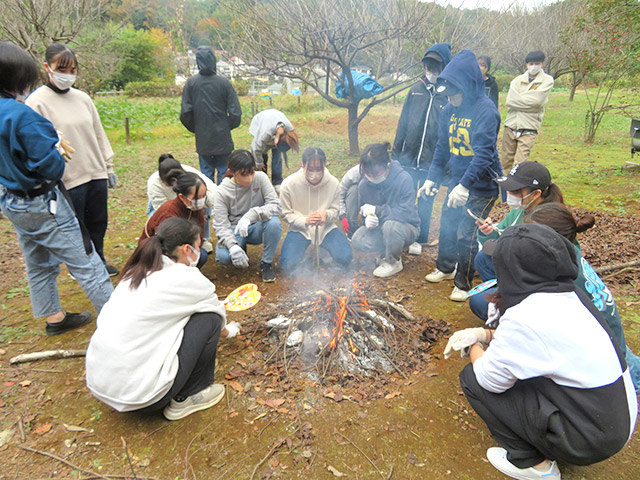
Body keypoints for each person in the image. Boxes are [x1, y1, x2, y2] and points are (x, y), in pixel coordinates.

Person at [445, 224, 637, 480]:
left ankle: (533, 465)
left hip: (590, 439)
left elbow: (488, 379)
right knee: (516, 376)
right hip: (615, 418)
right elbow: (534, 345)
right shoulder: (570, 294)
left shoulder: (525, 316)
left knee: (472, 378)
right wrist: (485, 334)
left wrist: (473, 345)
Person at [0, 41, 113, 336]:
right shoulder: (22, 114)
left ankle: (54, 317)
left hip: (13, 200)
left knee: (38, 262)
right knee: (88, 264)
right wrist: (55, 147)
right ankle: (121, 327)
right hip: (41, 201)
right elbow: (50, 166)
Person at [86, 217, 241, 420]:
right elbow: (219, 321)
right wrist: (231, 331)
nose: (200, 251)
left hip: (101, 383)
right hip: (144, 397)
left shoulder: (135, 273)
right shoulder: (189, 279)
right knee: (210, 318)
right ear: (187, 249)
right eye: (198, 246)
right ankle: (190, 397)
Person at [524, 203, 640, 392]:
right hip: (610, 335)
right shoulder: (570, 254)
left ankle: (629, 377)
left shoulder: (563, 277)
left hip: (604, 357)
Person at [26, 42, 119, 276]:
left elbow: (98, 132)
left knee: (98, 222)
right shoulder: (36, 102)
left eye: (72, 70)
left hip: (95, 171)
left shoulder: (83, 98)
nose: (67, 75)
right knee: (77, 227)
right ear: (47, 67)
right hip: (67, 177)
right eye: (62, 69)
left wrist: (108, 166)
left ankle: (98, 258)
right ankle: (85, 267)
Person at [423, 49, 503, 301]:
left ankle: (464, 282)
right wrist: (431, 178)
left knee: (466, 232)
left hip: (482, 185)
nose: (452, 100)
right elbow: (442, 148)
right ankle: (445, 268)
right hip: (459, 180)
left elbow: (484, 154)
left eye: (455, 94)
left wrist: (465, 185)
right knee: (447, 223)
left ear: (467, 87)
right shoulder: (448, 111)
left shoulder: (485, 110)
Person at [392, 43, 451, 255]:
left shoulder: (448, 94)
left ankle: (420, 237)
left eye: (435, 66)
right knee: (406, 195)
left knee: (426, 199)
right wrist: (396, 154)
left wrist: (445, 164)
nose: (430, 69)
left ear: (444, 67)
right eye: (428, 65)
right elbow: (403, 123)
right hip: (409, 156)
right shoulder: (415, 90)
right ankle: (406, 233)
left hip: (432, 160)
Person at [472, 160, 563, 283]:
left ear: (536, 194)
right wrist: (488, 232)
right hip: (519, 264)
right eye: (508, 189)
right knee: (483, 259)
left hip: (543, 276)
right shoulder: (520, 209)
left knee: (479, 300)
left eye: (515, 191)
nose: (509, 194)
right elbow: (500, 235)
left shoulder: (550, 220)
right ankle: (502, 294)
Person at [351, 143, 419, 278]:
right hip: (381, 227)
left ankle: (393, 262)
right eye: (367, 172)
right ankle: (385, 251)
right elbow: (364, 209)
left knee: (391, 226)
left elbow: (405, 212)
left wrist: (377, 210)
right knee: (358, 239)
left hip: (406, 226)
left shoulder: (403, 179)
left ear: (387, 165)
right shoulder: (364, 185)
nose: (371, 175)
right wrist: (368, 219)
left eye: (376, 172)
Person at [279, 147, 353, 273]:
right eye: (310, 169)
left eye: (319, 169)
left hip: (326, 228)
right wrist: (305, 220)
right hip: (300, 229)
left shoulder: (333, 183)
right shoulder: (288, 184)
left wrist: (326, 214)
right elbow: (285, 214)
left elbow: (336, 209)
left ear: (324, 164)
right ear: (302, 165)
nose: (314, 173)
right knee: (288, 264)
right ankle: (306, 254)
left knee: (346, 257)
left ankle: (323, 251)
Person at [213, 149, 282, 282]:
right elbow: (220, 225)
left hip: (257, 226)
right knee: (224, 257)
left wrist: (251, 215)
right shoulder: (222, 191)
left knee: (274, 223)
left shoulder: (260, 178)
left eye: (251, 172)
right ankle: (239, 246)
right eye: (244, 174)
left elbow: (276, 206)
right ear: (232, 172)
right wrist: (232, 246)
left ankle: (266, 264)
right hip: (235, 229)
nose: (249, 178)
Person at [180, 46, 242, 185]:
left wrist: (197, 128)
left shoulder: (191, 83)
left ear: (198, 61)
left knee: (206, 176)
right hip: (223, 138)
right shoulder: (224, 83)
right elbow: (235, 113)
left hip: (203, 138)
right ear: (214, 60)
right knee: (224, 175)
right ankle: (222, 204)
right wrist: (226, 126)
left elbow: (185, 113)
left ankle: (209, 204)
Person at [146, 153, 216, 253]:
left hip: (187, 201)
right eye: (170, 184)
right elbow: (163, 210)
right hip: (164, 207)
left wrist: (210, 205)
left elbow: (212, 190)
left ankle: (201, 239)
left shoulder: (191, 173)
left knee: (201, 204)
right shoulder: (154, 183)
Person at [140, 173, 209, 268]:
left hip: (183, 248)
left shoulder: (195, 208)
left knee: (201, 255)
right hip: (158, 254)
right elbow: (168, 247)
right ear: (181, 197)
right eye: (196, 197)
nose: (201, 200)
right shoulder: (168, 214)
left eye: (203, 196)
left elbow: (199, 236)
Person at [502, 50, 554, 172]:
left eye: (536, 63)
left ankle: (515, 189)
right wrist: (530, 103)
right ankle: (503, 189)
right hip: (510, 125)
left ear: (542, 63)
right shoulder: (517, 80)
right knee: (505, 163)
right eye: (531, 63)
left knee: (519, 166)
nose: (533, 66)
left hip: (529, 127)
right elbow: (510, 101)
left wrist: (520, 99)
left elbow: (537, 101)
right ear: (526, 64)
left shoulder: (547, 80)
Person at [249, 109, 300, 192]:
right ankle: (262, 182)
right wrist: (259, 164)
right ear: (276, 141)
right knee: (262, 155)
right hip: (260, 121)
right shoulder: (265, 133)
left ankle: (277, 182)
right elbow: (255, 149)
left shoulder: (289, 131)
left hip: (275, 117)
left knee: (277, 156)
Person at [338, 164, 361, 238]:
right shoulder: (353, 174)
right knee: (353, 189)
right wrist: (343, 216)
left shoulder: (384, 172)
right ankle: (352, 225)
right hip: (358, 196)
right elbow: (338, 196)